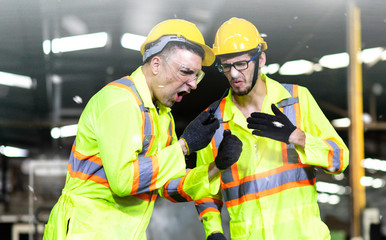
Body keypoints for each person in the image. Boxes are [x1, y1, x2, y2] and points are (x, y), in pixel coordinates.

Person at [43, 19, 242, 239]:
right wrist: (184, 146)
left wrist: (215, 166)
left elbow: (168, 185)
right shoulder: (119, 101)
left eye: (196, 75)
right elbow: (124, 181)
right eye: (186, 72)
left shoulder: (163, 117)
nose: (193, 84)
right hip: (88, 232)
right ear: (156, 64)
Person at [193, 17, 349, 240]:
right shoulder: (214, 121)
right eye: (226, 66)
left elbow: (340, 160)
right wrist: (213, 230)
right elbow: (204, 187)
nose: (234, 74)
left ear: (261, 59)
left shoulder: (296, 100)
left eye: (241, 63)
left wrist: (297, 137)